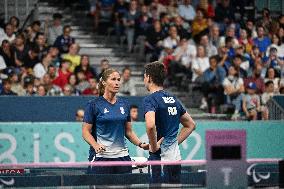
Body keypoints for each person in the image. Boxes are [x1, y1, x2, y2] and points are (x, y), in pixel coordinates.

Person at [82, 68, 148, 174]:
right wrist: (96, 145)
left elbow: (129, 132)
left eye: (118, 79)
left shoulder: (125, 104)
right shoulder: (93, 105)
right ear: (104, 82)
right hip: (101, 157)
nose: (117, 83)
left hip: (122, 157)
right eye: (113, 79)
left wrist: (141, 144)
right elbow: (85, 131)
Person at [143, 62, 196, 184]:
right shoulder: (173, 99)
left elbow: (150, 125)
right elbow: (191, 125)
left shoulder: (150, 99)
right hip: (175, 159)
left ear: (149, 78)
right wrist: (173, 143)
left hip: (160, 160)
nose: (144, 79)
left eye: (144, 76)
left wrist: (154, 146)